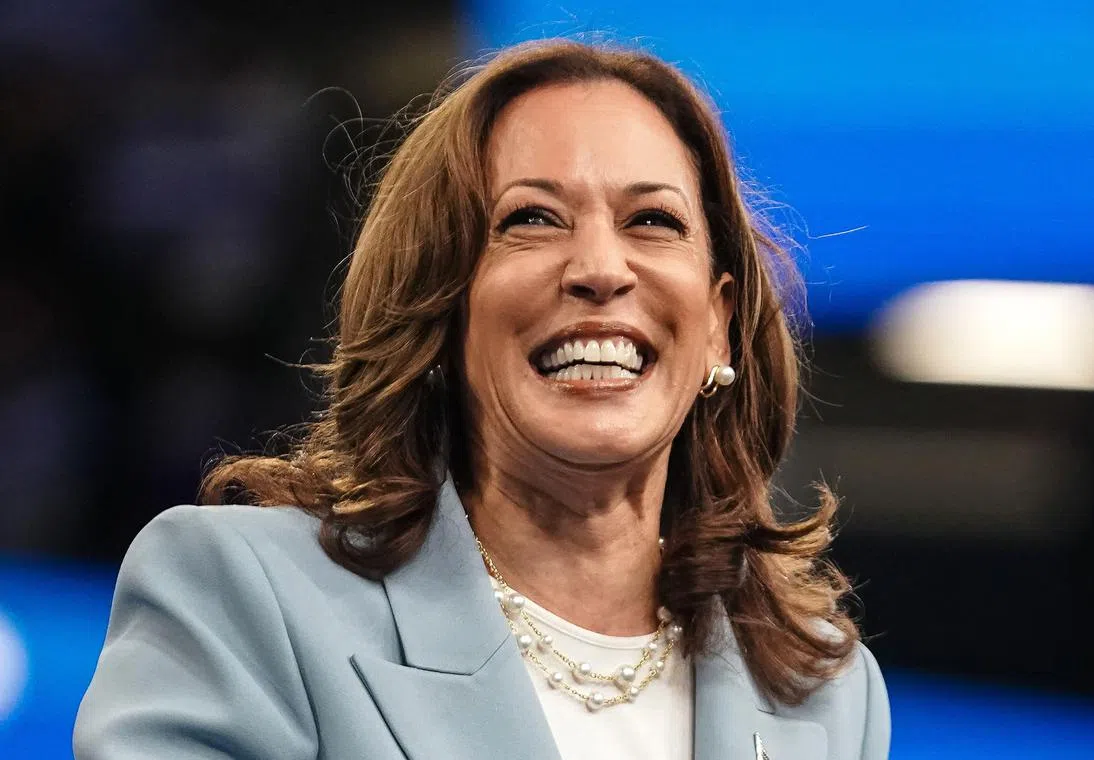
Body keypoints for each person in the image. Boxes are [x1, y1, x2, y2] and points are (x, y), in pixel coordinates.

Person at [74, 39, 889, 760]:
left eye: (652, 221)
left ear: (717, 324)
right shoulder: (247, 597)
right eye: (531, 219)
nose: (601, 268)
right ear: (441, 309)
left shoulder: (820, 688)